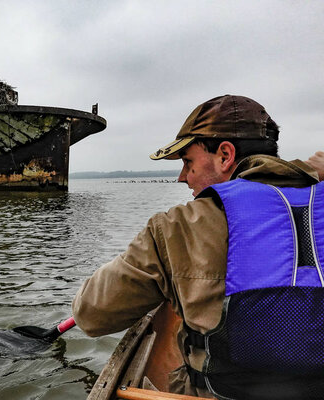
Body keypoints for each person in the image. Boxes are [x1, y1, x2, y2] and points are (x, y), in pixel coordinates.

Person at [72, 95, 324, 399]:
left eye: (188, 162)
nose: (182, 177)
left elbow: (90, 313)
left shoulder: (177, 227)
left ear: (225, 155)